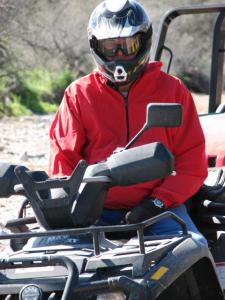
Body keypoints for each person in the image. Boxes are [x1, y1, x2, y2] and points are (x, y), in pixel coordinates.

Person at [48, 0, 208, 244]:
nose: (119, 55)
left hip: (158, 212)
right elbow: (62, 164)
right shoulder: (78, 94)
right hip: (93, 212)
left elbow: (192, 163)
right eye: (111, 47)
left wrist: (156, 202)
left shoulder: (172, 91)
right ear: (96, 47)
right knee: (41, 256)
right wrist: (70, 205)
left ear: (143, 42)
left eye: (128, 45)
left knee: (192, 249)